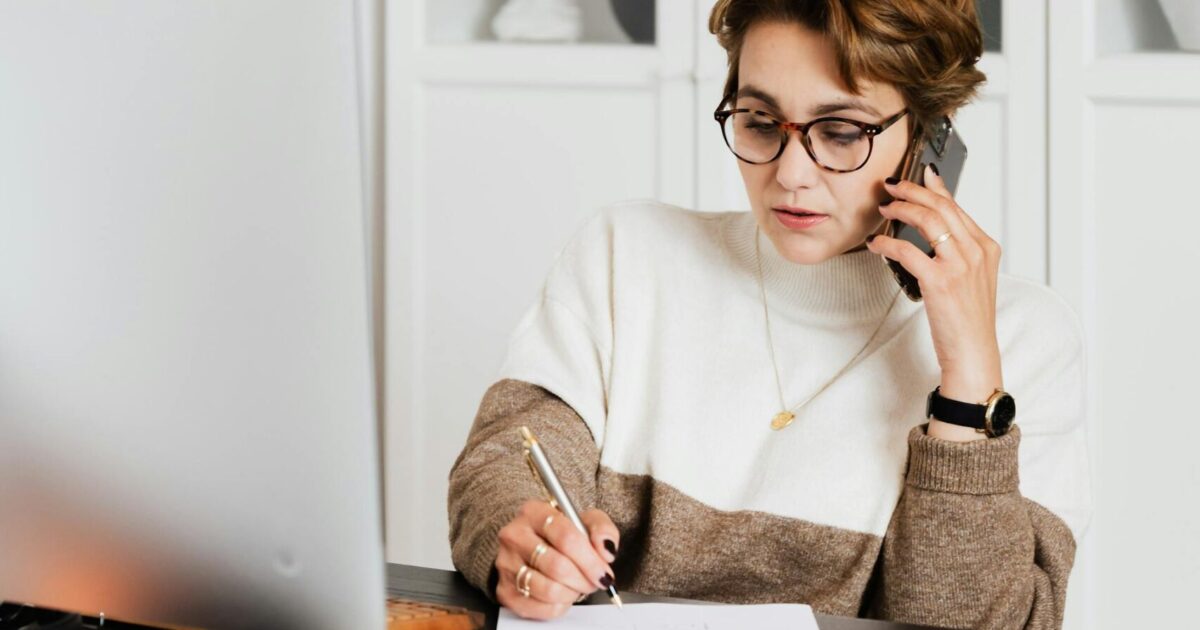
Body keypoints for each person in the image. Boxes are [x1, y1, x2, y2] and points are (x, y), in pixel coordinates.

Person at [447, 1, 1091, 628]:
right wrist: (524, 532)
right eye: (759, 121)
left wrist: (967, 385)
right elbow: (505, 463)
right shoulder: (627, 256)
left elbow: (977, 623)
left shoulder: (1023, 340)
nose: (790, 174)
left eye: (840, 132)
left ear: (932, 133)